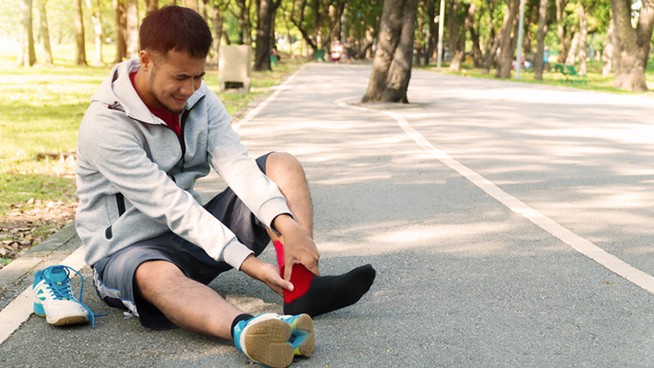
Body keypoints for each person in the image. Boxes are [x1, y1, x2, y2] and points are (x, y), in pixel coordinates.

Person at [33, 6, 376, 368]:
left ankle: (302, 289)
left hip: (194, 238)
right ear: (146, 60)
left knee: (282, 164)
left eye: (198, 76)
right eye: (181, 77)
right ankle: (247, 330)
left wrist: (287, 226)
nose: (191, 89)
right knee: (154, 273)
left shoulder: (199, 97)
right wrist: (247, 263)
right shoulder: (105, 126)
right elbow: (170, 206)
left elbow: (239, 167)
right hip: (128, 251)